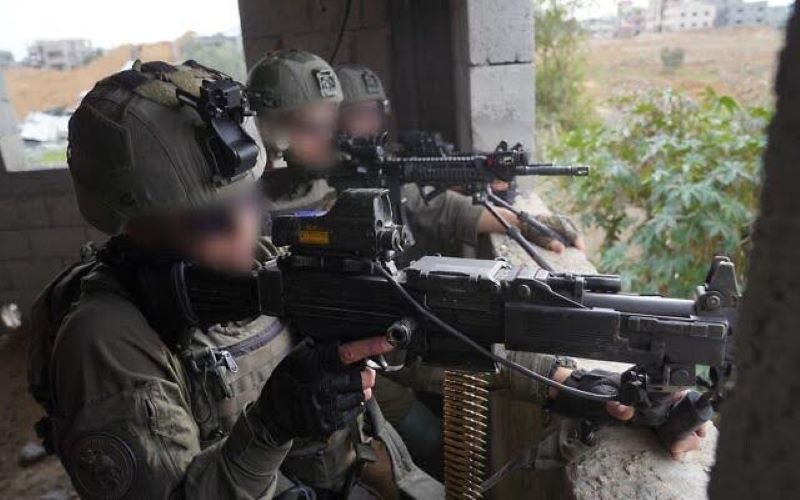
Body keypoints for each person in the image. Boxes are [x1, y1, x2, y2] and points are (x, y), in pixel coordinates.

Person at [27, 61, 443, 499]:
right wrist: (269, 428)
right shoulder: (105, 342)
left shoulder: (261, 260)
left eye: (249, 199)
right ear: (134, 224)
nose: (243, 227)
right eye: (210, 220)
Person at [334, 64, 585, 261]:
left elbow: (443, 208)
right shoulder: (329, 179)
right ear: (333, 120)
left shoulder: (375, 164)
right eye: (358, 113)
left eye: (375, 111)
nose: (371, 122)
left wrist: (527, 223)